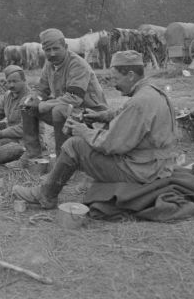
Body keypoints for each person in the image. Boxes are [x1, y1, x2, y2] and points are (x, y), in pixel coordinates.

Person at [13, 50, 178, 209]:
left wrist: (83, 130)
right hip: (157, 165)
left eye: (116, 79)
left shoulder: (139, 102)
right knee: (87, 136)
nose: (114, 84)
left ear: (130, 75)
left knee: (74, 145)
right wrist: (102, 116)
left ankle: (46, 195)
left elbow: (112, 144)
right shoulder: (151, 92)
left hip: (143, 170)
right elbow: (127, 113)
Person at [20, 28, 108, 162]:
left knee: (59, 110)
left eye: (56, 48)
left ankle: (64, 159)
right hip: (68, 109)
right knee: (26, 105)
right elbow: (42, 90)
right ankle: (33, 153)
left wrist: (44, 105)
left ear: (65, 47)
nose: (52, 53)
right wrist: (34, 99)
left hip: (91, 114)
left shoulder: (77, 64)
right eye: (48, 50)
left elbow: (74, 97)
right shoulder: (49, 64)